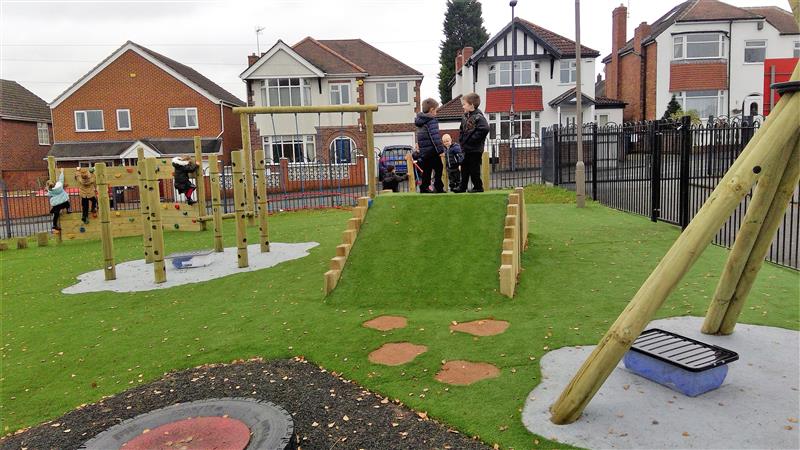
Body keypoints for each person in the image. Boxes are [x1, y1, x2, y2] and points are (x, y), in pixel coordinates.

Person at [456, 93, 490, 193]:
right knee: (464, 168)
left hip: (475, 149)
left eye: (464, 104)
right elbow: (462, 130)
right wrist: (461, 140)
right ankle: (462, 187)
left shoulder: (478, 117)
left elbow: (485, 129)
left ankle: (478, 187)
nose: (463, 106)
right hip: (466, 148)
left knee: (474, 168)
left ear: (471, 105)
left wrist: (473, 140)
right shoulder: (465, 117)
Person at [414, 98, 446, 193]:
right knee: (439, 167)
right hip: (432, 150)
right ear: (432, 110)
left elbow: (420, 136)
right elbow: (434, 137)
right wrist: (440, 149)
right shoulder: (432, 120)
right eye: (436, 110)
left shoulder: (420, 121)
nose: (436, 113)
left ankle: (424, 187)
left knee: (427, 169)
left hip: (425, 151)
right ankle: (438, 186)